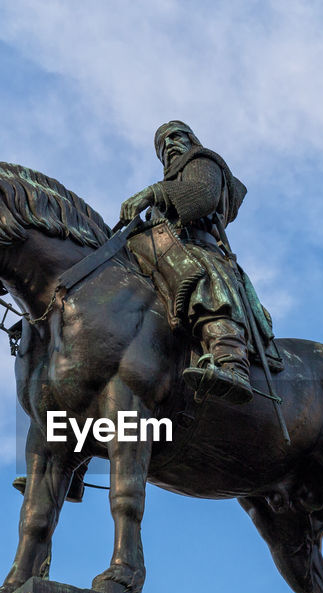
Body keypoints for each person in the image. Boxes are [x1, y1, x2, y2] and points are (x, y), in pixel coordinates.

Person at [120, 121, 278, 404]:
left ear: (190, 139)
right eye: (161, 144)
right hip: (163, 255)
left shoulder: (203, 162)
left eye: (174, 137)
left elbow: (203, 195)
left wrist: (154, 193)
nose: (168, 145)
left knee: (201, 276)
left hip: (198, 248)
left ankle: (231, 361)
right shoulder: (168, 186)